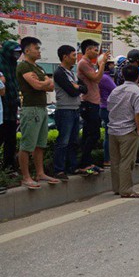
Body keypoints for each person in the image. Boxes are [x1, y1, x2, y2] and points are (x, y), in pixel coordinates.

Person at [16, 37, 59, 189]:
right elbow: (36, 85)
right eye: (36, 48)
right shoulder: (24, 66)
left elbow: (50, 86)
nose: (39, 51)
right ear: (27, 50)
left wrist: (44, 83)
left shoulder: (38, 68)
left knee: (40, 144)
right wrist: (43, 83)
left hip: (42, 107)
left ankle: (40, 174)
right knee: (27, 145)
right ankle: (26, 177)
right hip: (31, 108)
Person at [107, 63, 139, 198]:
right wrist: (138, 129)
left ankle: (117, 188)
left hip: (113, 129)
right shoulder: (138, 92)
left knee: (115, 160)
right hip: (127, 130)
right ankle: (126, 190)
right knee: (127, 161)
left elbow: (109, 107)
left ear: (123, 75)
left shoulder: (115, 90)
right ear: (138, 77)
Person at [53, 45, 87, 181]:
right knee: (63, 141)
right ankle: (59, 170)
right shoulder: (59, 73)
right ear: (65, 56)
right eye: (73, 55)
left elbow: (85, 89)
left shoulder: (72, 73)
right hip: (64, 110)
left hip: (75, 109)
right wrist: (77, 88)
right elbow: (72, 91)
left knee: (73, 141)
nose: (75, 58)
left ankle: (72, 167)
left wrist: (77, 86)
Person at [76, 39, 109, 175]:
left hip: (93, 102)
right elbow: (96, 78)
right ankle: (84, 163)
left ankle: (87, 162)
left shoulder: (89, 63)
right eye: (95, 50)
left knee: (89, 134)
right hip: (89, 102)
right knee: (93, 134)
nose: (97, 52)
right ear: (88, 50)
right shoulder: (83, 63)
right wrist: (102, 64)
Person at [0, 41, 21, 172]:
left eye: (19, 53)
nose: (17, 55)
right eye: (14, 52)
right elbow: (2, 86)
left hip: (12, 108)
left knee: (11, 141)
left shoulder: (13, 65)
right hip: (2, 109)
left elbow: (13, 84)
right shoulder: (1, 63)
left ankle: (8, 169)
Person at [98, 61, 116, 167]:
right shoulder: (105, 78)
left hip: (107, 108)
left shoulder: (107, 77)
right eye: (110, 64)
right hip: (107, 108)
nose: (113, 66)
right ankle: (107, 159)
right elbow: (115, 90)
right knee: (109, 136)